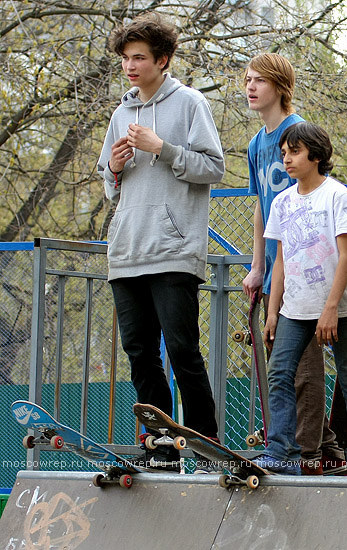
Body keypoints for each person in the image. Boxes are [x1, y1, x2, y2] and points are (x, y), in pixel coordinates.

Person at [97, 13, 224, 471]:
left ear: (163, 59)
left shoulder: (189, 103)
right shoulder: (120, 113)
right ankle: (162, 443)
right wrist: (113, 165)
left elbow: (214, 168)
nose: (130, 66)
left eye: (139, 58)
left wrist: (162, 148)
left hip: (173, 250)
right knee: (139, 353)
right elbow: (109, 186)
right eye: (126, 58)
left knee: (182, 349)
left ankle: (208, 444)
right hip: (127, 251)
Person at [255, 122, 347, 476]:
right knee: (279, 373)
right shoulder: (281, 202)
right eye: (284, 154)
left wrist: (330, 310)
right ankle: (282, 452)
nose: (287, 160)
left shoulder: (337, 195)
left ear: (315, 155)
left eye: (294, 152)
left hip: (341, 308)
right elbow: (279, 260)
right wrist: (272, 312)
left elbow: (346, 256)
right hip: (295, 308)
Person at [240, 52, 346, 476]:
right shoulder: (254, 144)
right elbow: (262, 210)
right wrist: (257, 267)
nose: (250, 87)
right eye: (247, 80)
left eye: (259, 81)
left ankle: (308, 454)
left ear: (280, 87)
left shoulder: (295, 134)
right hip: (276, 269)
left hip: (307, 271)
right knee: (283, 368)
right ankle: (328, 452)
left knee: (303, 368)